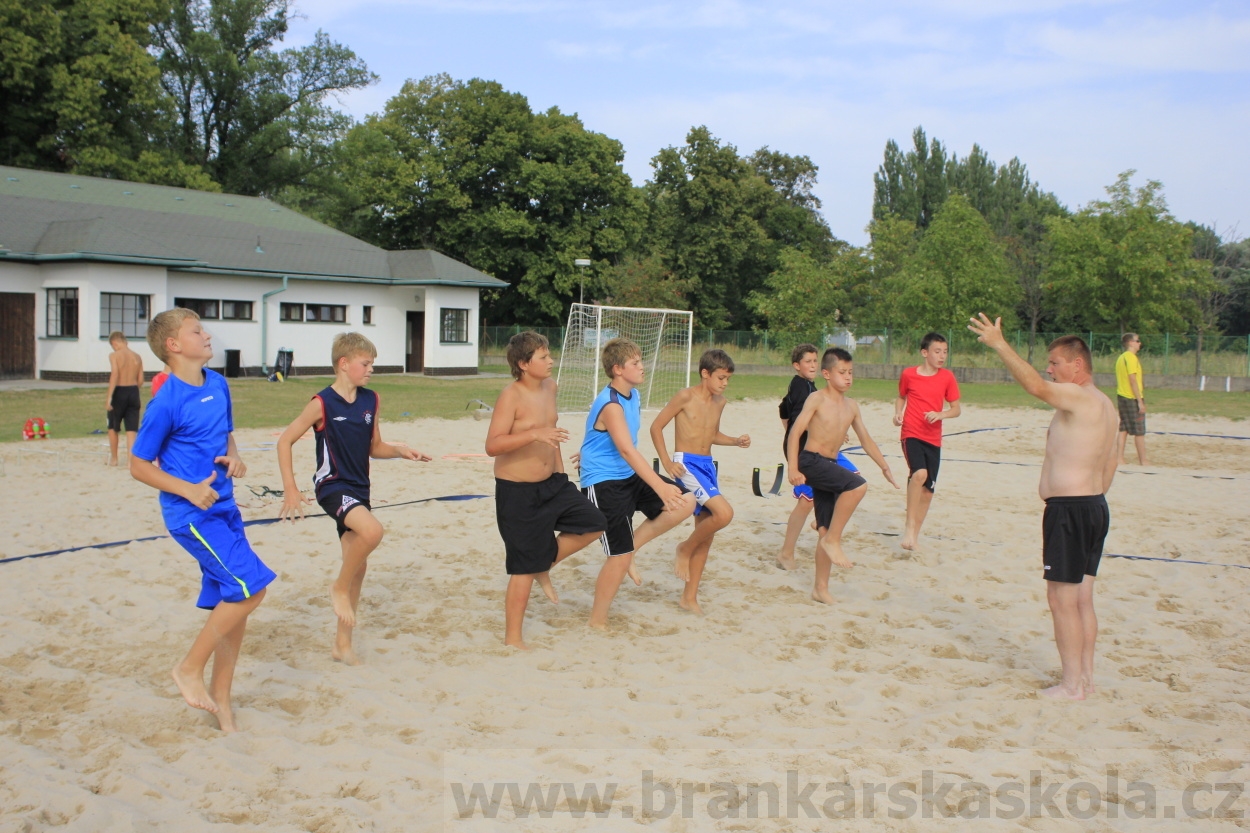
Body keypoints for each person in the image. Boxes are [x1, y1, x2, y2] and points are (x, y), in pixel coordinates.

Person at [129, 309, 275, 732]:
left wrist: (236, 455)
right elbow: (139, 465)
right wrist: (188, 489)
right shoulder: (166, 400)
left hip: (225, 507)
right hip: (192, 515)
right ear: (174, 345)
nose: (207, 335)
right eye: (197, 331)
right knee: (251, 588)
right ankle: (189, 668)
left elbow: (226, 433)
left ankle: (221, 700)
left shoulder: (217, 383)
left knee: (236, 602)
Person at [969, 313, 1118, 700]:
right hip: (1093, 506)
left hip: (1070, 510)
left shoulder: (1079, 396)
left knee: (1061, 600)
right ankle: (1085, 678)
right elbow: (1111, 462)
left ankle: (1071, 685)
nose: (1049, 369)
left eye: (1055, 363)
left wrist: (1000, 344)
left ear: (1077, 365)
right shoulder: (1105, 405)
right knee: (1082, 599)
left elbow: (1034, 386)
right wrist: (1090, 498)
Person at [276, 332, 431, 665]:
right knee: (373, 532)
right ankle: (338, 587)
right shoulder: (321, 402)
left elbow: (375, 447)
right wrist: (290, 488)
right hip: (332, 486)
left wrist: (401, 452)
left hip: (360, 489)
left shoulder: (371, 400)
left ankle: (342, 645)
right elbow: (284, 440)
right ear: (344, 364)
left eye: (372, 363)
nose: (371, 369)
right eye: (366, 363)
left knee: (358, 565)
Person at [486, 332, 607, 649]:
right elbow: (493, 445)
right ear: (524, 364)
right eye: (543, 356)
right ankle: (513, 639)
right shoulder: (510, 396)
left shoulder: (550, 387)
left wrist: (562, 475)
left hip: (553, 482)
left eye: (549, 354)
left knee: (594, 522)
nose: (551, 360)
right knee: (522, 569)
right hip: (517, 492)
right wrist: (533, 434)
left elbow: (551, 435)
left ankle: (543, 564)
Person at [581, 338, 695, 626]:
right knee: (617, 557)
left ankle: (632, 548)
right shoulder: (611, 403)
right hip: (604, 482)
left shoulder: (633, 395)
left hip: (627, 473)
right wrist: (660, 485)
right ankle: (597, 621)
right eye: (635, 363)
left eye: (641, 360)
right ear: (618, 369)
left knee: (686, 501)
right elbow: (626, 450)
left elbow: (619, 441)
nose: (642, 367)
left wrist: (588, 449)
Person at [787, 347, 898, 604]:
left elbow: (866, 439)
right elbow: (795, 433)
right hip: (811, 460)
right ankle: (834, 540)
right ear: (827, 374)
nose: (848, 377)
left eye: (850, 372)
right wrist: (793, 467)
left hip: (829, 463)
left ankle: (820, 588)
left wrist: (884, 466)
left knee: (824, 530)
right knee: (857, 486)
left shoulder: (852, 406)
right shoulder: (816, 399)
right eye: (842, 372)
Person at [650, 349, 749, 614]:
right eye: (721, 378)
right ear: (705, 373)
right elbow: (656, 427)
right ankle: (684, 548)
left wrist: (735, 441)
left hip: (707, 465)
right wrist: (667, 462)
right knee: (724, 514)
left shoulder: (720, 402)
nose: (725, 383)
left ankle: (689, 597)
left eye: (728, 379)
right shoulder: (685, 396)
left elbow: (712, 434)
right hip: (687, 465)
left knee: (707, 534)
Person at [777, 343, 860, 570]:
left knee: (852, 478)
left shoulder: (804, 385)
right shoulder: (803, 388)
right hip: (806, 453)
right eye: (808, 362)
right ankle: (786, 552)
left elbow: (783, 409)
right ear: (797, 365)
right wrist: (819, 430)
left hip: (817, 451)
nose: (812, 365)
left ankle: (822, 521)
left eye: (815, 360)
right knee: (806, 501)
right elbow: (796, 422)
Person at [893, 332, 961, 551]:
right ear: (925, 352)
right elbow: (901, 397)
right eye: (937, 351)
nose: (942, 356)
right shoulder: (909, 374)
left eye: (945, 352)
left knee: (928, 491)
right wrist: (898, 413)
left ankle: (914, 536)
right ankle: (909, 525)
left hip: (933, 438)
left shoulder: (947, 377)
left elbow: (956, 409)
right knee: (919, 474)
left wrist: (941, 414)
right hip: (911, 432)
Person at [106, 331, 146, 466]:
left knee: (113, 427)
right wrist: (133, 390)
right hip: (133, 391)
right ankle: (130, 461)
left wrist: (109, 397)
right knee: (131, 429)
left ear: (115, 343)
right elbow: (141, 380)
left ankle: (114, 459)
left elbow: (115, 374)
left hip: (119, 391)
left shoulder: (114, 355)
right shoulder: (137, 356)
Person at [1114, 333, 1149, 465]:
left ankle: (1119, 458)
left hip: (1121, 396)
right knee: (1139, 430)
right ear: (1130, 343)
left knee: (1124, 428)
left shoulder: (1121, 358)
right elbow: (1132, 379)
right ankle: (1143, 460)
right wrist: (1140, 401)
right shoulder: (1131, 358)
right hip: (1131, 397)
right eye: (1137, 341)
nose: (1139, 343)